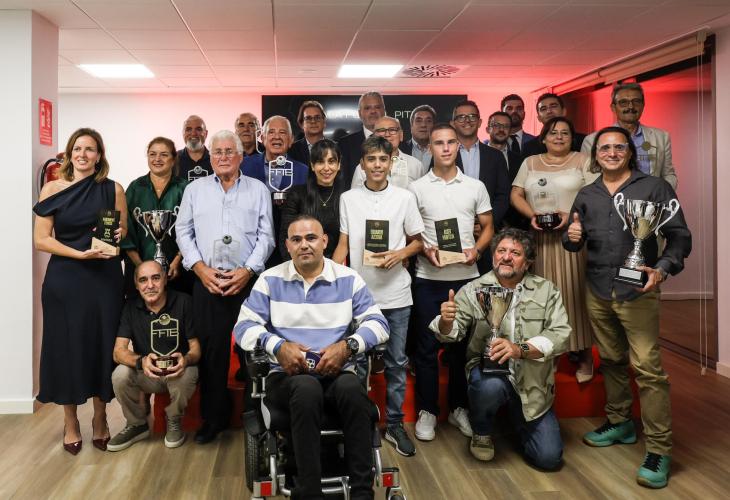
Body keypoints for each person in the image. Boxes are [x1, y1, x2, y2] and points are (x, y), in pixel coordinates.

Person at [564, 126, 691, 488]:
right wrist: (571, 238)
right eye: (605, 148)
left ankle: (659, 449)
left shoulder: (654, 188)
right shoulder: (587, 194)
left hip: (638, 290)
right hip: (598, 288)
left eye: (619, 147)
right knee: (612, 359)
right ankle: (620, 423)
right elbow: (573, 240)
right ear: (596, 155)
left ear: (630, 153)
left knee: (648, 370)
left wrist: (662, 268)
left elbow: (680, 236)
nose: (612, 153)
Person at [235, 215, 389, 500]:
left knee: (352, 388)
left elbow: (378, 324)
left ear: (325, 241)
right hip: (287, 378)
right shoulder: (269, 280)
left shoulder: (348, 278)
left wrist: (348, 346)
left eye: (311, 238)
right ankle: (309, 492)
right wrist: (278, 346)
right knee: (306, 388)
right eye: (296, 239)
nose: (304, 245)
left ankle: (362, 493)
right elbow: (243, 327)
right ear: (287, 246)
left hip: (337, 374)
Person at [432, 228, 571, 469]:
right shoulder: (474, 289)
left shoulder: (547, 290)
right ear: (493, 255)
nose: (506, 257)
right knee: (490, 387)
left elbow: (560, 334)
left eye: (515, 253)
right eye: (501, 251)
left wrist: (520, 349)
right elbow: (451, 333)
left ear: (527, 262)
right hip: (489, 374)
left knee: (549, 459)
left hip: (532, 383)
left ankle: (519, 419)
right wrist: (446, 320)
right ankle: (482, 429)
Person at [176, 129, 275, 444]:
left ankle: (255, 417)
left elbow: (267, 236)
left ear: (240, 156)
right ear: (211, 157)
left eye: (229, 151)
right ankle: (214, 418)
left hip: (247, 282)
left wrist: (247, 271)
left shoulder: (258, 190)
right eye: (217, 152)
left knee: (253, 352)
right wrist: (200, 269)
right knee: (212, 354)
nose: (222, 157)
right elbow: (183, 232)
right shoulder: (194, 190)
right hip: (207, 281)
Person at [33, 127, 126, 454]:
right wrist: (78, 253)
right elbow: (41, 239)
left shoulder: (113, 189)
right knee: (66, 348)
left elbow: (123, 229)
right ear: (69, 154)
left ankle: (100, 418)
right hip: (65, 280)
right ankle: (70, 421)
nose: (83, 154)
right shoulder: (52, 189)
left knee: (102, 345)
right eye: (78, 149)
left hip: (104, 280)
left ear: (99, 156)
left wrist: (116, 235)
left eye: (90, 149)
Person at [333, 135, 425, 457]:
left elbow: (419, 241)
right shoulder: (348, 198)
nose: (376, 165)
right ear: (362, 164)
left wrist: (400, 254)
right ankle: (359, 423)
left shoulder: (404, 197)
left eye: (382, 159)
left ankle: (395, 424)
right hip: (360, 296)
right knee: (357, 362)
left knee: (397, 363)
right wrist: (332, 281)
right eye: (370, 159)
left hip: (397, 294)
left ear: (391, 163)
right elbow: (343, 244)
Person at [409, 123, 494, 442]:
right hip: (428, 278)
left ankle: (459, 408)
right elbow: (410, 231)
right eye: (438, 143)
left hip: (467, 281)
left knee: (462, 350)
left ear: (459, 146)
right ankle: (427, 411)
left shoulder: (475, 186)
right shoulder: (417, 188)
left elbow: (488, 226)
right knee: (426, 349)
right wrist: (425, 249)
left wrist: (478, 250)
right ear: (429, 148)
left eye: (450, 142)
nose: (445, 148)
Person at [511, 117, 599, 382]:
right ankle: (551, 352)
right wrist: (532, 216)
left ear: (572, 137)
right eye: (553, 132)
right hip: (539, 242)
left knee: (575, 296)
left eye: (564, 132)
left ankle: (584, 354)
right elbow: (516, 194)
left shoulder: (583, 160)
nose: (559, 137)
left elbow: (597, 196)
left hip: (573, 241)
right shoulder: (530, 163)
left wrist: (570, 216)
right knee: (544, 299)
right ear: (543, 138)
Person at [108, 260, 200, 451]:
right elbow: (118, 351)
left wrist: (185, 360)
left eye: (156, 278)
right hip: (148, 374)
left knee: (190, 372)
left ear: (165, 279)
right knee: (120, 374)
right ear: (136, 284)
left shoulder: (184, 301)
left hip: (178, 373)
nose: (150, 285)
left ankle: (173, 419)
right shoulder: (130, 307)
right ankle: (137, 424)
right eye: (143, 280)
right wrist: (141, 361)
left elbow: (196, 349)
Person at [121, 137, 190, 295]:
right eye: (152, 154)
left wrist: (177, 262)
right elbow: (126, 230)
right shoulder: (135, 188)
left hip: (177, 271)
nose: (157, 159)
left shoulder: (185, 188)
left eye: (164, 155)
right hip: (139, 271)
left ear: (173, 159)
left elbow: (192, 230)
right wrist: (141, 267)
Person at [581, 82, 677, 189]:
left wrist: (661, 193)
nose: (631, 106)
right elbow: (590, 177)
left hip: (652, 198)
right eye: (623, 102)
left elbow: (669, 174)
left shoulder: (661, 137)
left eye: (636, 101)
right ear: (613, 108)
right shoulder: (592, 140)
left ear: (643, 105)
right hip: (610, 198)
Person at [242, 115, 309, 268]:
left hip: (290, 248)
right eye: (271, 132)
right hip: (252, 246)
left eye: (282, 132)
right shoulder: (244, 167)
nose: (276, 137)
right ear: (262, 138)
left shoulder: (303, 171)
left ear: (291, 140)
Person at [449, 100, 510, 231]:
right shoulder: (444, 154)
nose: (467, 121)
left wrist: (488, 223)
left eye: (472, 116)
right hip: (454, 228)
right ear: (453, 124)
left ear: (480, 122)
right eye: (461, 117)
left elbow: (503, 195)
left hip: (489, 228)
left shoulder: (496, 156)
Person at [279, 139, 344, 260]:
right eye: (320, 162)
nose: (326, 168)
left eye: (331, 162)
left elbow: (347, 242)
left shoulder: (345, 197)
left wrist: (332, 268)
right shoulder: (296, 194)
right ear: (312, 166)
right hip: (301, 263)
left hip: (336, 265)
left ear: (338, 165)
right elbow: (285, 238)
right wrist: (296, 267)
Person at [351, 116, 426, 190]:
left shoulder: (416, 165)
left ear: (401, 135)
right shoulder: (363, 167)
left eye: (392, 130)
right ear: (373, 136)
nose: (387, 134)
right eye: (381, 130)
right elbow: (355, 196)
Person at [338, 91, 387, 186]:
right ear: (360, 113)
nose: (373, 111)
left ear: (384, 111)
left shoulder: (397, 143)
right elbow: (342, 181)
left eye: (377, 107)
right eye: (367, 108)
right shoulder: (344, 144)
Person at [521, 93, 586, 159]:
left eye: (553, 106)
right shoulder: (529, 147)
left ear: (564, 111)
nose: (549, 111)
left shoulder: (583, 141)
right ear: (539, 118)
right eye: (543, 109)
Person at [289, 100, 327, 165]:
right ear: (302, 124)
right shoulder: (291, 150)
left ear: (324, 122)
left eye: (317, 117)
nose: (313, 121)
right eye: (308, 118)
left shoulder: (336, 148)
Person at [176, 115, 212, 182]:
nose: (193, 133)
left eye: (198, 129)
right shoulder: (174, 159)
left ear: (206, 133)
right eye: (188, 129)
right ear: (183, 133)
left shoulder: (216, 159)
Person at [400, 104, 436, 168]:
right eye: (418, 121)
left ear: (434, 126)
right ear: (411, 126)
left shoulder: (442, 150)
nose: (423, 125)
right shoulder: (399, 148)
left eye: (428, 121)